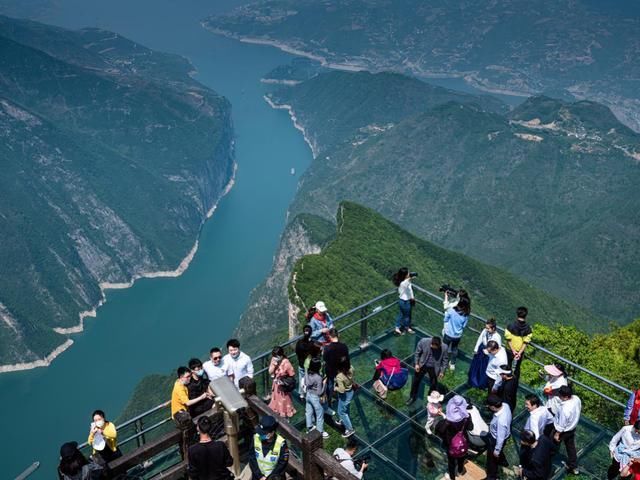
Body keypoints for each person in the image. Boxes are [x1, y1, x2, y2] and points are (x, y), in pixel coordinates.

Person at [435, 395, 474, 480]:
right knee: (461, 456)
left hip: (450, 445)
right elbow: (471, 428)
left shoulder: (446, 423)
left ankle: (452, 477)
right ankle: (460, 469)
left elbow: (439, 431)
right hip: (463, 442)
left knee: (451, 462)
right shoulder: (467, 417)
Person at [549, 385, 581, 476]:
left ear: (566, 397)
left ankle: (547, 461)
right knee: (570, 447)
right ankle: (573, 466)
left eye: (560, 395)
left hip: (563, 430)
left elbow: (561, 424)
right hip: (572, 428)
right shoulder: (576, 399)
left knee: (552, 444)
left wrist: (557, 434)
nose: (559, 396)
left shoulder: (565, 409)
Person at [407, 336, 449, 405]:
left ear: (440, 345)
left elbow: (445, 360)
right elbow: (417, 353)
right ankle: (412, 397)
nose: (433, 348)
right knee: (415, 381)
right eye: (432, 346)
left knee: (433, 384)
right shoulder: (424, 341)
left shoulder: (444, 347)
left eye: (435, 348)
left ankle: (430, 398)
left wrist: (442, 371)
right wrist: (417, 364)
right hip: (423, 365)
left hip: (434, 367)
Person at [249, 415, 289, 480]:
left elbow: (282, 464)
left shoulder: (281, 443)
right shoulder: (255, 437)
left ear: (272, 432)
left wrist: (270, 478)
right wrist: (260, 476)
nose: (260, 435)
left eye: (263, 433)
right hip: (257, 476)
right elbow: (251, 457)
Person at [468, 318, 501, 389]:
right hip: (481, 350)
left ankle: (481, 385)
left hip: (488, 355)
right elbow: (480, 338)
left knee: (483, 369)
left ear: (493, 328)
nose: (486, 329)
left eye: (488, 328)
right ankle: (472, 381)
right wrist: (476, 348)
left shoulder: (497, 337)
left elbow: (497, 349)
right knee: (476, 366)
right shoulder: (485, 331)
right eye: (486, 328)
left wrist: (489, 353)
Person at [485, 394, 512, 480]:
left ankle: (492, 477)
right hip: (504, 434)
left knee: (492, 461)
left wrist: (496, 450)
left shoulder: (501, 421)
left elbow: (500, 438)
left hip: (496, 439)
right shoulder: (505, 405)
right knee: (497, 454)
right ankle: (503, 461)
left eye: (489, 406)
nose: (488, 407)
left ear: (493, 407)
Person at [305, 357, 333, 438]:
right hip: (315, 398)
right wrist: (324, 383)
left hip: (308, 395)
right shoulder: (318, 377)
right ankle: (320, 432)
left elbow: (306, 383)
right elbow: (319, 392)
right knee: (320, 416)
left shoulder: (308, 372)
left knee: (308, 412)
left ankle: (309, 427)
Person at [323, 328, 349, 409]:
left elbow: (325, 359)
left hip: (330, 371)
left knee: (330, 385)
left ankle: (329, 401)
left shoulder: (327, 348)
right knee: (340, 383)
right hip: (341, 370)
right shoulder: (344, 346)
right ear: (338, 335)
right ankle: (340, 397)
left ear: (330, 336)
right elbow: (346, 358)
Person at [442, 296, 470, 370]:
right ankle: (452, 364)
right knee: (454, 349)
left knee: (445, 347)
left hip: (448, 333)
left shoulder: (452, 310)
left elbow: (445, 319)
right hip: (457, 335)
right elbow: (464, 326)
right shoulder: (466, 314)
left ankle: (443, 361)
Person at [268, 346, 297, 418]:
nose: (275, 358)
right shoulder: (274, 360)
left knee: (284, 404)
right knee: (276, 403)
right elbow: (270, 371)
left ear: (281, 355)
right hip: (276, 387)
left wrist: (283, 381)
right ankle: (278, 416)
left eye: (276, 356)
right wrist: (274, 365)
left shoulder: (286, 363)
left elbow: (292, 375)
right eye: (274, 356)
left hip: (284, 388)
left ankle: (286, 419)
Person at [504, 306, 532, 378]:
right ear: (526, 315)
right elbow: (526, 342)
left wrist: (513, 350)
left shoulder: (511, 325)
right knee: (517, 369)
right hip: (520, 352)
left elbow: (508, 338)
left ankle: (504, 384)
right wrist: (519, 353)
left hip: (509, 350)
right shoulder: (528, 328)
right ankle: (513, 385)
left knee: (507, 366)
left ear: (517, 314)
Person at [335, 357, 356, 438]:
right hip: (350, 392)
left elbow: (342, 390)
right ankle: (343, 420)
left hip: (344, 395)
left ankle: (350, 429)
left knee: (341, 412)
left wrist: (335, 388)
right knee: (346, 408)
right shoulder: (351, 368)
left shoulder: (339, 376)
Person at [392, 267, 415, 335]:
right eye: (408, 273)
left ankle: (397, 327)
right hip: (405, 301)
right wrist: (411, 278)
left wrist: (412, 297)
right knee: (407, 315)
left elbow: (409, 290)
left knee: (401, 314)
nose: (409, 273)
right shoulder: (404, 283)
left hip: (401, 300)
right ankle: (407, 327)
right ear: (405, 275)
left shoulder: (401, 281)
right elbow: (407, 283)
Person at [295, 325, 314, 400]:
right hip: (310, 365)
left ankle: (302, 395)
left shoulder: (299, 343)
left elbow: (297, 352)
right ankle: (310, 392)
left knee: (301, 378)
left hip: (301, 364)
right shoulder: (312, 344)